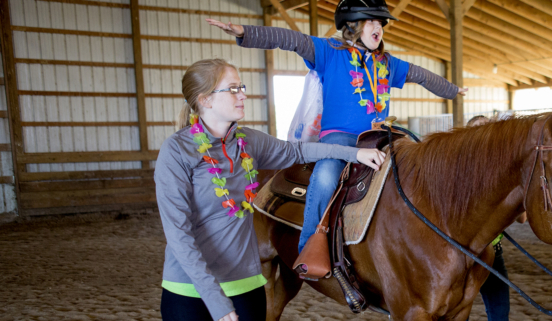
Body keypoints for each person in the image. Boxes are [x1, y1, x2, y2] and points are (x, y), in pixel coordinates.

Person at [206, 0, 467, 253]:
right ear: (352, 25)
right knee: (325, 177)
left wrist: (453, 90)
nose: (379, 27)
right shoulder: (329, 52)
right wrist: (245, 32)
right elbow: (289, 39)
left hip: (380, 137)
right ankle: (309, 246)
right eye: (371, 21)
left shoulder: (387, 63)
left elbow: (421, 75)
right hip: (339, 139)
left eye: (381, 23)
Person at [155, 58, 385, 321]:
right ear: (205, 99)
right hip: (190, 293)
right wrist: (216, 302)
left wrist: (355, 153)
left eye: (241, 86)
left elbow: (298, 151)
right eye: (232, 89)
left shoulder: (248, 142)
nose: (243, 94)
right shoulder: (176, 151)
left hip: (247, 286)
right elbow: (178, 234)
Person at [466, 115, 510, 321]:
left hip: (493, 252)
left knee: (500, 313)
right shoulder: (461, 170)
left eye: (487, 129)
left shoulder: (499, 170)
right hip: (462, 256)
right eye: (477, 130)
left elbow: (521, 219)